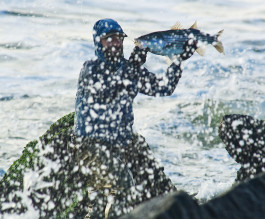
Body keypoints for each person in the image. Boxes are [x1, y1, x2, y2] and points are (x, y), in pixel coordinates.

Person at [74, 18, 197, 218]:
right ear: (98, 42)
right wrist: (133, 66)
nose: (115, 43)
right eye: (109, 39)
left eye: (118, 38)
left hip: (119, 144)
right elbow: (109, 90)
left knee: (103, 200)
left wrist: (177, 60)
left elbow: (163, 87)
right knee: (125, 189)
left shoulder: (129, 68)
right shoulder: (91, 69)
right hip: (91, 145)